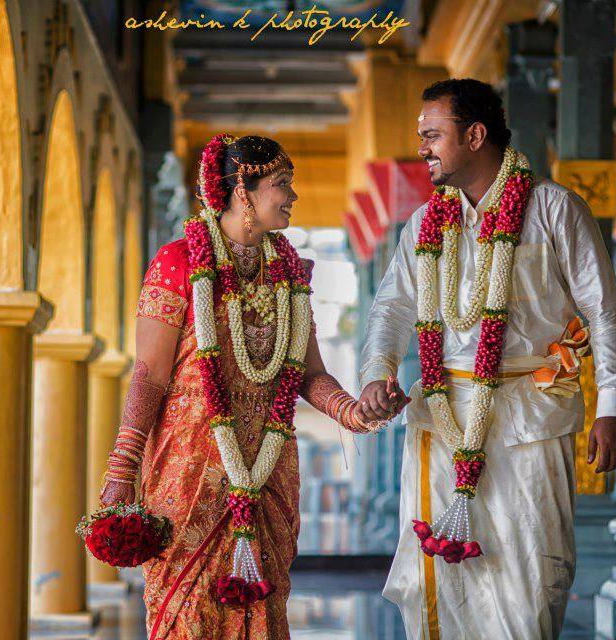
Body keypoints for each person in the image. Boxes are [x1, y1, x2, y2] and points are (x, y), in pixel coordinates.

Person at [355, 79, 616, 639]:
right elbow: (389, 309)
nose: (424, 148)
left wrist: (613, 407)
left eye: (433, 135)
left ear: (475, 134)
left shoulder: (553, 208)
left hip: (530, 421)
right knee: (442, 583)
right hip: (442, 422)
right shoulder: (424, 225)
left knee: (532, 578)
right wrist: (377, 375)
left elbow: (605, 311)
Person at [97, 134, 406, 639]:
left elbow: (309, 375)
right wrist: (121, 470)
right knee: (190, 615)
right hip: (190, 474)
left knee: (263, 612)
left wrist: (355, 412)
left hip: (267, 471)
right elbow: (149, 375)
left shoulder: (289, 274)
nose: (293, 196)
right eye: (282, 184)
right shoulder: (178, 265)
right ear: (244, 192)